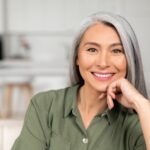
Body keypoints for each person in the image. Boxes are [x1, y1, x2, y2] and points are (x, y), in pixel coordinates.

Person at [12, 12, 150, 150]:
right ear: (77, 57)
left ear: (130, 60)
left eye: (116, 51)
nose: (103, 63)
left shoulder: (140, 124)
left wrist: (140, 103)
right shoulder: (44, 106)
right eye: (92, 49)